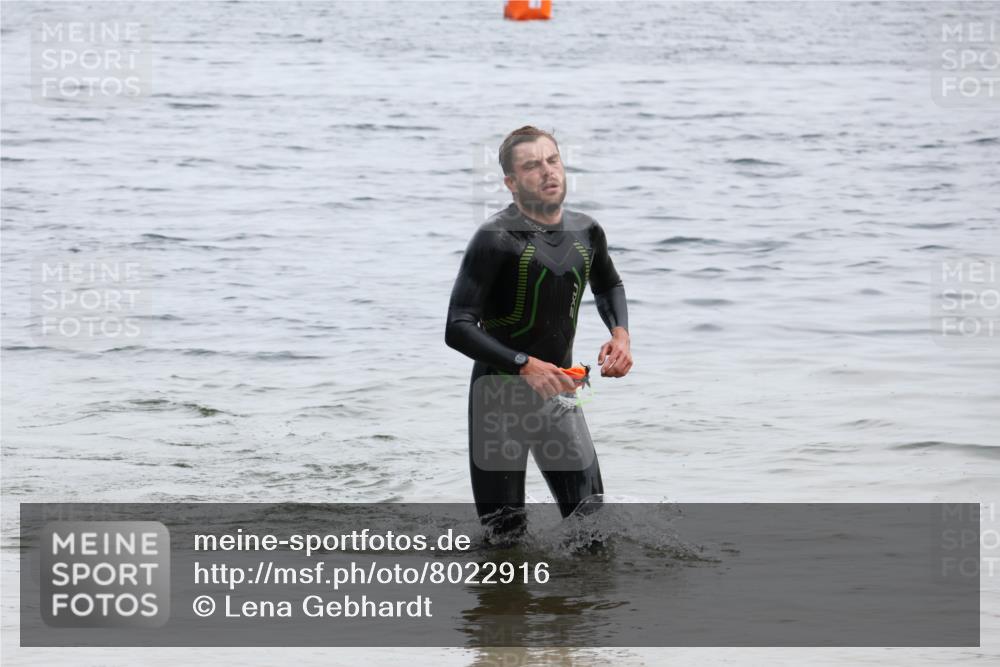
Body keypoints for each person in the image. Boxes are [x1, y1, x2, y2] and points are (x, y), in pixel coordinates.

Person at [445, 126, 631, 538]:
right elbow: (457, 327)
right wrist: (524, 365)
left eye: (553, 160)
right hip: (498, 401)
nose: (547, 172)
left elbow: (608, 284)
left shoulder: (587, 231)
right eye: (532, 166)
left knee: (594, 532)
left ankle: (580, 605)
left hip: (561, 396)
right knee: (503, 543)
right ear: (511, 182)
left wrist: (620, 335)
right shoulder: (495, 239)